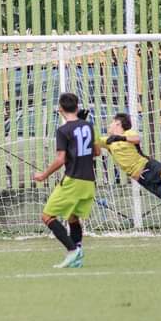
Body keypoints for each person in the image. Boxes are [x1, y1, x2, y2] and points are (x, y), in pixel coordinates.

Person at [34, 93, 99, 268]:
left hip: (73, 180)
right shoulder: (89, 125)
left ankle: (72, 250)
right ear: (77, 106)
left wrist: (43, 175)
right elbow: (97, 152)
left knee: (47, 216)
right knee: (72, 217)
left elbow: (60, 159)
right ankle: (77, 253)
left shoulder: (63, 130)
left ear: (60, 109)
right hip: (89, 181)